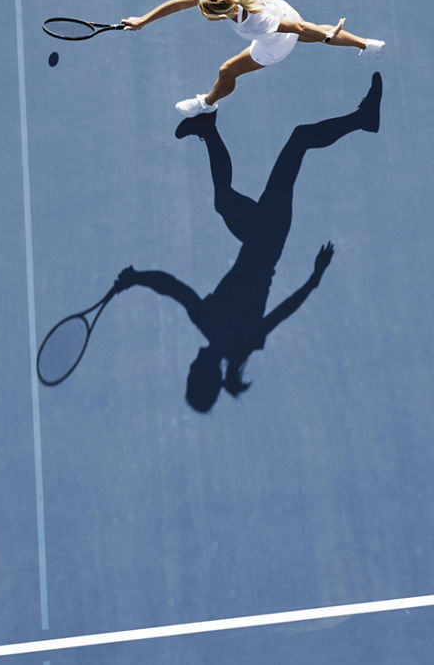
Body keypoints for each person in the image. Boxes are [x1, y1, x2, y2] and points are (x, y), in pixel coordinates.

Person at [114, 74, 382, 412]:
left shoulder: (231, 340)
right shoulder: (214, 328)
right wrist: (135, 278)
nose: (191, 367)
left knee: (224, 200)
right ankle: (363, 118)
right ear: (203, 375)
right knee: (297, 141)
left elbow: (174, 288)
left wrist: (313, 281)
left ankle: (208, 129)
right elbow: (174, 288)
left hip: (265, 238)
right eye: (193, 374)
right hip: (267, 235)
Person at [121, 0, 385, 115]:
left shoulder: (254, 22)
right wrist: (143, 20)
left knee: (227, 71)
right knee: (313, 32)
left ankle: (206, 104)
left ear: (225, 14)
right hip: (285, 10)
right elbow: (181, 2)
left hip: (275, 44)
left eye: (206, 15)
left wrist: (326, 36)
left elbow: (298, 28)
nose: (201, 12)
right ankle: (367, 43)